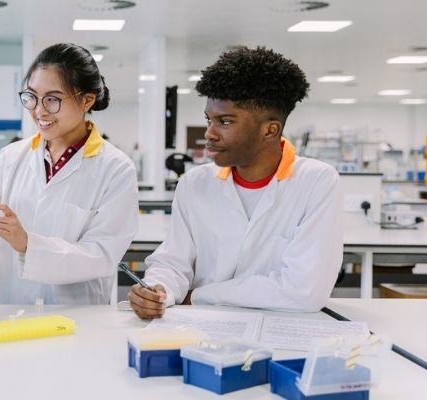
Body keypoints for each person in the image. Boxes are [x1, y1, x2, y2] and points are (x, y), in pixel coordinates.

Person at [129, 46, 343, 318]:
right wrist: (160, 289)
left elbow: (303, 291)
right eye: (209, 120)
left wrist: (199, 296)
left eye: (225, 122)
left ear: (270, 129)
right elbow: (174, 260)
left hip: (282, 331)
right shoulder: (195, 184)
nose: (209, 133)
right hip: (201, 328)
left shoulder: (316, 182)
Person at [0, 43, 138, 304]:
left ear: (87, 100)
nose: (39, 111)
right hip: (8, 308)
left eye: (52, 99)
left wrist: (28, 244)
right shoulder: (11, 157)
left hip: (76, 318)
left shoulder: (115, 168)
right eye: (31, 97)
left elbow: (102, 255)